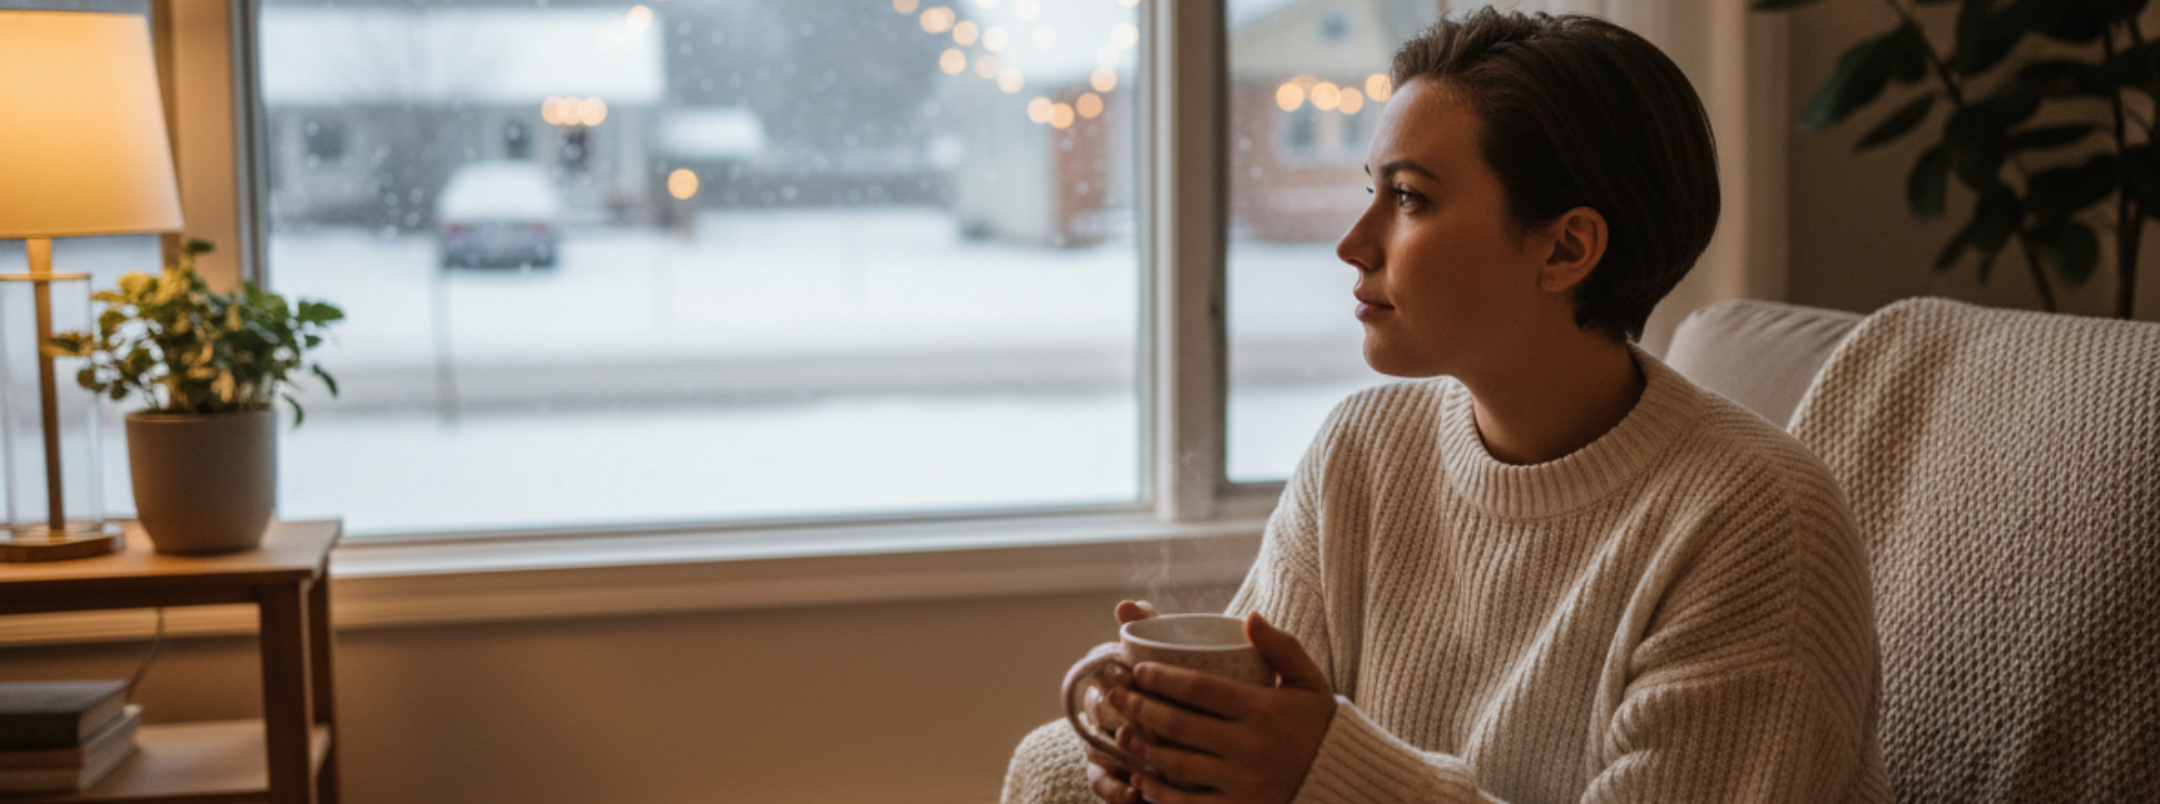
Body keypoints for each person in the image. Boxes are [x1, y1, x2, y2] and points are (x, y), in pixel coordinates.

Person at [1001, 7, 1891, 804]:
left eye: (1409, 199)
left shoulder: (1757, 523)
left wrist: (1327, 773)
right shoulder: (1364, 448)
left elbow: (1306, 766)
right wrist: (1170, 745)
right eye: (1370, 190)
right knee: (1055, 769)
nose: (1354, 244)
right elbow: (1265, 736)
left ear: (1567, 249)